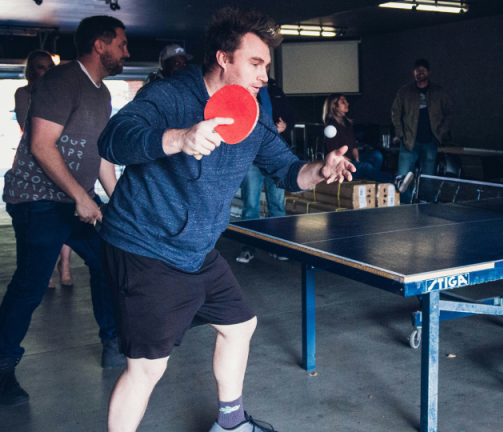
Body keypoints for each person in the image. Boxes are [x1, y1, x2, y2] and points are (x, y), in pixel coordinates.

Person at [96, 7, 354, 431]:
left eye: (267, 66)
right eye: (255, 63)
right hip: (145, 247)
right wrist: (180, 138)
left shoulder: (253, 113)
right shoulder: (171, 96)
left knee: (240, 325)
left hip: (197, 248)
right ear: (223, 58)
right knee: (147, 369)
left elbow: (289, 171)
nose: (264, 76)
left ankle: (230, 425)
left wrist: (321, 171)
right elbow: (113, 140)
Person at [0, 15, 130, 406]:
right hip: (36, 199)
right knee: (31, 284)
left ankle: (112, 342)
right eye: (121, 44)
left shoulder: (101, 92)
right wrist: (81, 197)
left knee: (106, 257)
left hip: (70, 200)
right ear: (99, 45)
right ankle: (3, 367)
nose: (126, 51)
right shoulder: (60, 81)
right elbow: (41, 144)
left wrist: (122, 204)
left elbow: (102, 158)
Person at [14, 50, 75, 289]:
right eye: (41, 67)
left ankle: (66, 266)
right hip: (36, 162)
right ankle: (46, 268)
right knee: (45, 221)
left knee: (67, 214)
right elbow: (26, 124)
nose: (47, 71)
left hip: (63, 157)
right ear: (31, 71)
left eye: (50, 67)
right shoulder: (24, 93)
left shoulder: (60, 95)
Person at [236, 65, 295, 264]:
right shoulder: (244, 91)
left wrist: (286, 126)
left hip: (275, 158)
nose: (264, 70)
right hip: (252, 158)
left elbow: (290, 118)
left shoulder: (276, 92)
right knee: (250, 206)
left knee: (277, 205)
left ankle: (276, 246)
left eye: (268, 66)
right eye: (258, 65)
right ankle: (248, 248)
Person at [391, 58, 453, 203]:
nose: (420, 72)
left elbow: (450, 112)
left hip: (430, 143)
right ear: (414, 72)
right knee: (403, 179)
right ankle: (405, 206)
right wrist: (401, 134)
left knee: (428, 179)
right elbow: (395, 113)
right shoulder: (405, 91)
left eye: (423, 69)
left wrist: (440, 132)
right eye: (417, 69)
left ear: (429, 72)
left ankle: (426, 209)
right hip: (408, 143)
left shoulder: (439, 91)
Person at [324, 93, 413, 190]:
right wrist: (354, 165)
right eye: (343, 102)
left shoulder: (347, 124)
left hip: (351, 162)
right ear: (334, 106)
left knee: (376, 155)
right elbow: (335, 154)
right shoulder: (330, 127)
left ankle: (367, 180)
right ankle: (395, 182)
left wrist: (357, 161)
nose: (347, 103)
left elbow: (353, 146)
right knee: (366, 167)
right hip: (340, 165)